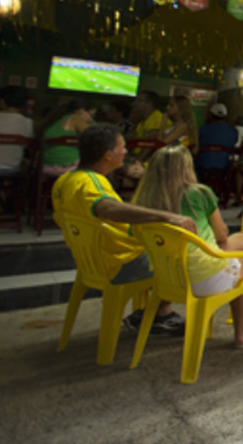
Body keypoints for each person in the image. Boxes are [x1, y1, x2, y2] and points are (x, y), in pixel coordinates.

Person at [133, 145, 243, 349]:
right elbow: (222, 236)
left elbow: (135, 237)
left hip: (167, 279)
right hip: (203, 279)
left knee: (240, 242)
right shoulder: (198, 193)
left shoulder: (142, 202)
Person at [51, 124, 197, 336]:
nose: (126, 152)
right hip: (120, 262)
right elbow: (107, 207)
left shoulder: (65, 180)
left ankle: (154, 312)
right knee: (185, 257)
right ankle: (159, 314)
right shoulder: (90, 183)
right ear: (108, 155)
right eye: (123, 147)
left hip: (91, 261)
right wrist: (166, 216)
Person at [40, 99, 96, 177]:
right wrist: (93, 123)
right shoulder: (76, 119)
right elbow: (96, 137)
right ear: (81, 110)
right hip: (68, 167)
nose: (90, 119)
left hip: (44, 166)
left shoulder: (55, 120)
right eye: (91, 115)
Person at [196, 103, 238, 171]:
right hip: (224, 167)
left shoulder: (202, 130)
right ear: (225, 116)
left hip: (202, 166)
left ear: (210, 115)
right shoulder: (233, 131)